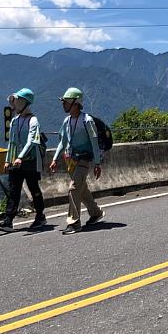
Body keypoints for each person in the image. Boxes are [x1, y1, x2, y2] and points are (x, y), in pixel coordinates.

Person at [50, 87, 106, 234]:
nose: (64, 104)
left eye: (66, 102)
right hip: (71, 161)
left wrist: (97, 163)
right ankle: (96, 213)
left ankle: (74, 222)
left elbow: (94, 142)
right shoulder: (67, 121)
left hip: (84, 160)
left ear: (76, 103)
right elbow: (63, 141)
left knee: (74, 188)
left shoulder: (87, 121)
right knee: (82, 190)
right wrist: (55, 158)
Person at [0, 88, 46, 233]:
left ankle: (40, 215)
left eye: (16, 101)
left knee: (33, 188)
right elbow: (12, 142)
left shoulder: (33, 120)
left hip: (30, 160)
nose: (14, 104)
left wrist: (20, 157)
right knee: (13, 190)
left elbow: (32, 141)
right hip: (16, 161)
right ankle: (8, 220)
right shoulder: (15, 121)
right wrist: (7, 160)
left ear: (24, 102)